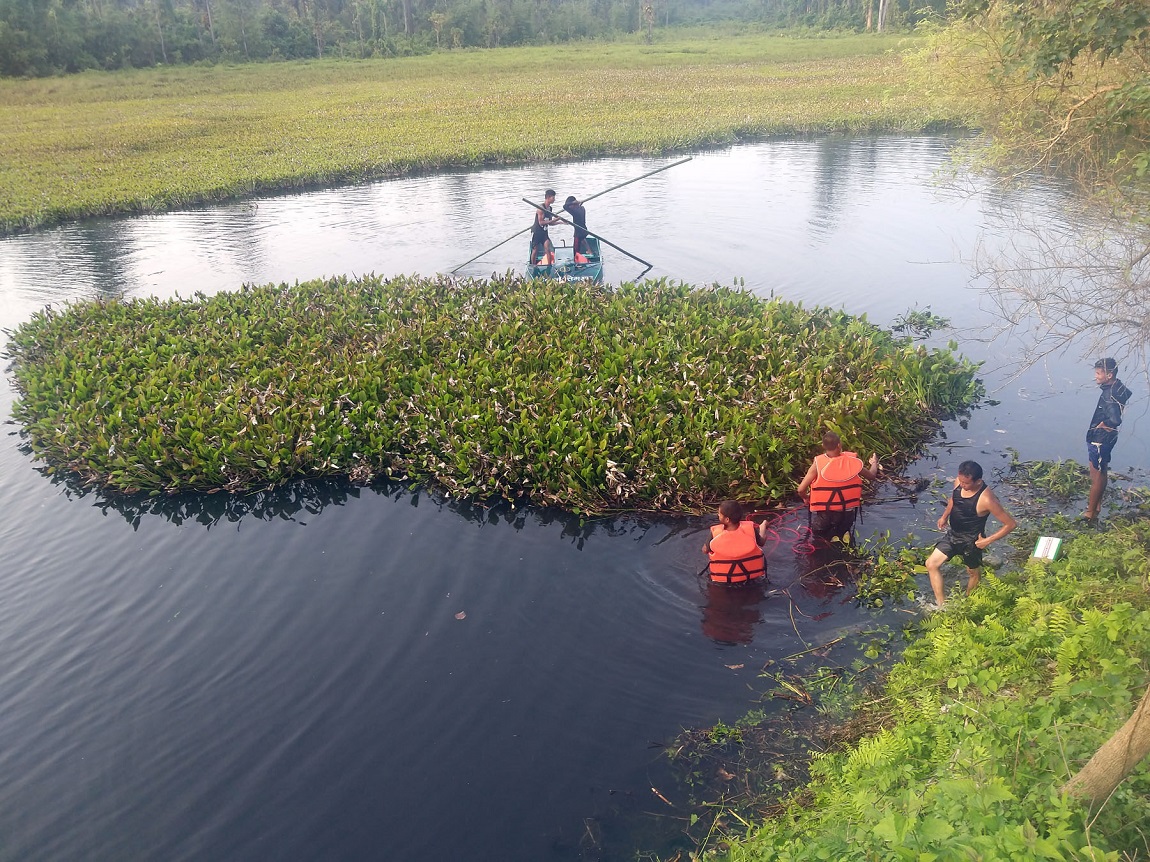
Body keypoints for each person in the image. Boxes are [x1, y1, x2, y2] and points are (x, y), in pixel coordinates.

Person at [925, 460, 1016, 607]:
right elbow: (953, 499)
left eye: (966, 483)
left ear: (978, 481)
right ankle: (942, 606)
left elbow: (1010, 524)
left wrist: (987, 541)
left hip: (971, 541)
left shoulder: (987, 500)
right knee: (931, 564)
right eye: (960, 481)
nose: (962, 485)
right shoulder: (959, 483)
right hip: (953, 534)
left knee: (972, 572)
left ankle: (968, 601)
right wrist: (944, 516)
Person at [794, 431, 879, 542]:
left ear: (823, 446)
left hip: (825, 515)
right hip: (847, 515)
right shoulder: (852, 461)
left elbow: (800, 489)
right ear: (839, 444)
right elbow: (872, 475)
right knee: (844, 541)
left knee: (819, 542)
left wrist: (806, 497)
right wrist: (874, 463)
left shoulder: (818, 464)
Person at [1083, 357, 1133, 521]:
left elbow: (1116, 419)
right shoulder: (1118, 387)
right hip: (1108, 438)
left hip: (1100, 439)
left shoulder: (1108, 396)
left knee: (1096, 473)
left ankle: (1090, 512)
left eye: (1098, 373)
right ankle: (1097, 505)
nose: (1096, 376)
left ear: (1109, 375)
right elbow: (1127, 394)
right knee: (1101, 468)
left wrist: (1104, 423)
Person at [702, 500, 767, 584]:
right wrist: (763, 527)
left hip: (722, 582)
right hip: (752, 579)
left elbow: (705, 550)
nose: (718, 515)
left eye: (719, 513)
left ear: (727, 519)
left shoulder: (715, 533)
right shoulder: (750, 529)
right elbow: (761, 542)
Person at [529, 189, 559, 266]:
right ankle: (533, 265)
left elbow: (550, 223)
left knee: (547, 249)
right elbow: (541, 222)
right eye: (553, 197)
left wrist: (560, 222)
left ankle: (549, 266)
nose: (554, 199)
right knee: (535, 250)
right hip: (537, 232)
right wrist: (555, 219)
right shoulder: (540, 208)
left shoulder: (550, 209)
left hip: (544, 232)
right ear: (548, 197)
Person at [562, 195, 590, 260]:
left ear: (573, 204)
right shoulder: (582, 208)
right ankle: (589, 251)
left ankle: (577, 262)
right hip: (584, 230)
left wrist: (574, 202)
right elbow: (577, 207)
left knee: (576, 251)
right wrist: (578, 203)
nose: (570, 207)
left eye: (571, 205)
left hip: (578, 233)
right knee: (583, 240)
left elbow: (564, 206)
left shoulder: (575, 211)